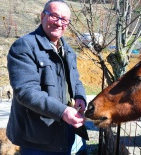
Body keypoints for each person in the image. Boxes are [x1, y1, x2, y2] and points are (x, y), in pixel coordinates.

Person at [6, 0, 88, 154]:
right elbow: (26, 91)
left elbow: (76, 80)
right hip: (37, 138)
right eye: (54, 16)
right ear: (43, 16)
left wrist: (80, 97)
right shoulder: (24, 46)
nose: (59, 23)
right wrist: (63, 111)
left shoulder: (68, 50)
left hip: (67, 131)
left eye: (64, 20)